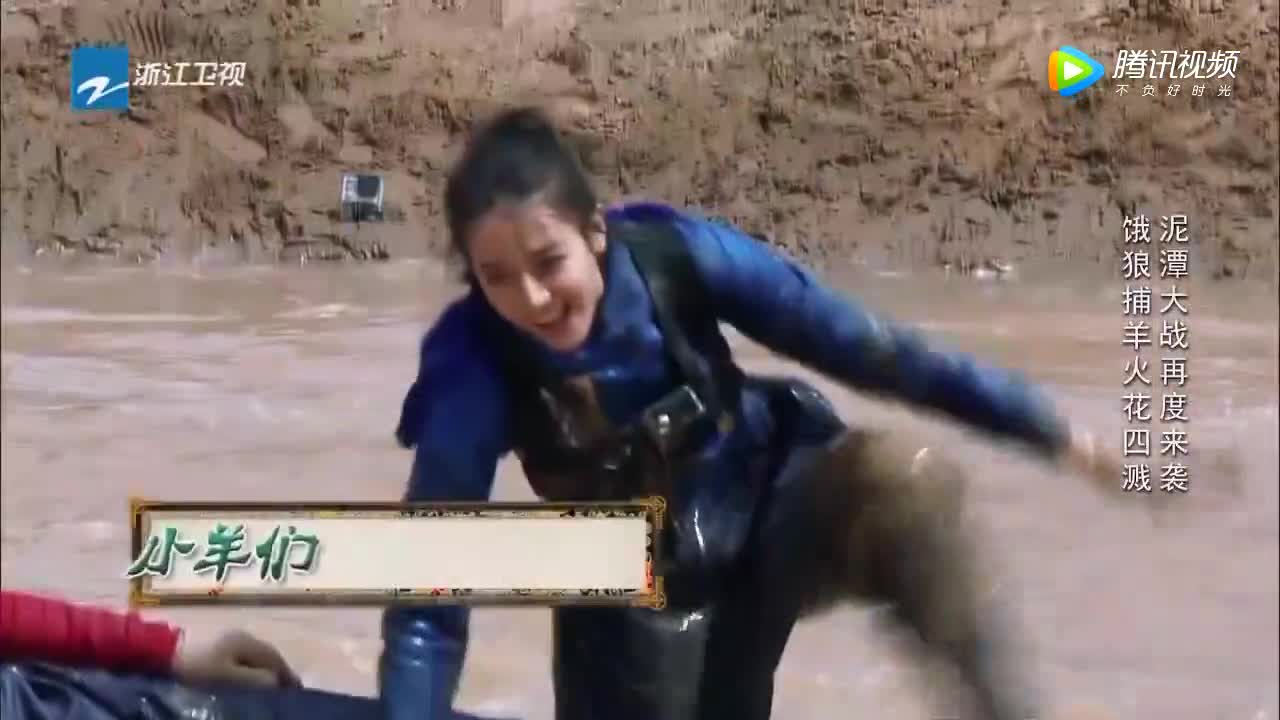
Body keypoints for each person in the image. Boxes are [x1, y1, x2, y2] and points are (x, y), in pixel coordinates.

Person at [379, 105, 1126, 720]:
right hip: (630, 590)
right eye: (498, 278)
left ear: (595, 233)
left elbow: (875, 352)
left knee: (906, 485)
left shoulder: (678, 259)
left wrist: (1043, 428)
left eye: (550, 263)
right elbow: (430, 594)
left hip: (768, 511)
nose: (534, 299)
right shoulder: (471, 368)